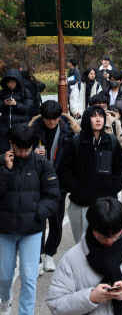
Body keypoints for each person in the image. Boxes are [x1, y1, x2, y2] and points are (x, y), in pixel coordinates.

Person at [46, 197, 122, 315]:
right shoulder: (72, 257)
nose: (109, 240)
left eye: (115, 235)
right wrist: (90, 297)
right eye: (102, 236)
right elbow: (56, 303)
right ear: (92, 227)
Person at [0, 125, 60, 315]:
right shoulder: (1, 163)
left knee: (29, 277)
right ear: (12, 145)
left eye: (28, 150)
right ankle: (5, 298)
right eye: (20, 150)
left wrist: (37, 214)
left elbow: (53, 196)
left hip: (32, 231)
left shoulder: (42, 164)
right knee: (4, 276)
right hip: (5, 229)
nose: (24, 153)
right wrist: (6, 171)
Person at [58, 106, 122, 242]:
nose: (98, 120)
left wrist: (114, 187)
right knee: (83, 244)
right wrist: (76, 189)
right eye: (94, 116)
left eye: (101, 116)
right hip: (81, 204)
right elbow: (64, 169)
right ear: (86, 119)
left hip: (107, 203)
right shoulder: (76, 142)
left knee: (107, 241)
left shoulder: (111, 141)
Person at [28, 101, 79, 273]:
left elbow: (73, 157)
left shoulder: (68, 131)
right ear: (42, 117)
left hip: (59, 181)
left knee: (56, 221)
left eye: (54, 119)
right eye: (48, 119)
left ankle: (49, 254)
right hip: (37, 181)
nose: (51, 122)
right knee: (38, 220)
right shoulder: (33, 131)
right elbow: (22, 152)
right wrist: (32, 153)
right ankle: (38, 258)